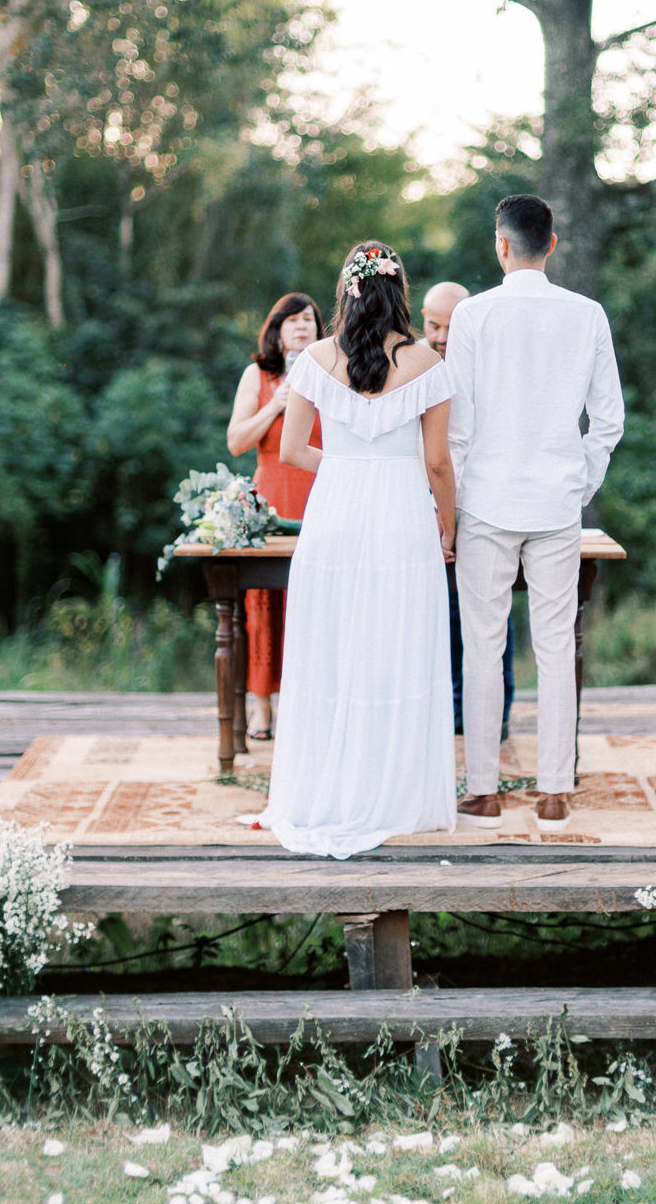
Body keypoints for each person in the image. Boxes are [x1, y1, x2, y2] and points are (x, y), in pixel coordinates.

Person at [259, 242, 457, 858]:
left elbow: (291, 452)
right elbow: (436, 461)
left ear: (345, 290)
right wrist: (447, 527)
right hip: (403, 514)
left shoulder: (312, 361)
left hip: (335, 515)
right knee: (398, 647)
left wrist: (348, 467)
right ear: (400, 291)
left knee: (332, 647)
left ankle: (327, 790)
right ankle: (396, 794)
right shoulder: (426, 361)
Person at [445, 195, 625, 829]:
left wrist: (458, 502)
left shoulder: (472, 315)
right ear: (553, 244)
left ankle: (485, 791)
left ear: (500, 245)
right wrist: (577, 484)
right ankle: (554, 793)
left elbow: (456, 427)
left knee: (483, 649)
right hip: (555, 504)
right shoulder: (587, 314)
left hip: (486, 503)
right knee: (555, 647)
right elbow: (608, 421)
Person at [226, 292, 324, 739]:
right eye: (292, 320)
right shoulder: (259, 375)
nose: (302, 326)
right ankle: (260, 704)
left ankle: (303, 705)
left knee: (312, 603)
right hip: (271, 499)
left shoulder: (332, 372)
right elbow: (236, 442)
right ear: (276, 329)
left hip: (320, 497)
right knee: (262, 605)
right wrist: (275, 405)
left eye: (309, 319)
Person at [421, 280, 515, 742]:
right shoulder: (414, 362)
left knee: (487, 613)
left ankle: (492, 716)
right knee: (433, 615)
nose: (440, 336)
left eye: (450, 326)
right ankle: (440, 712)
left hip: (481, 506)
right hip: (422, 508)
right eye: (432, 324)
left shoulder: (489, 362)